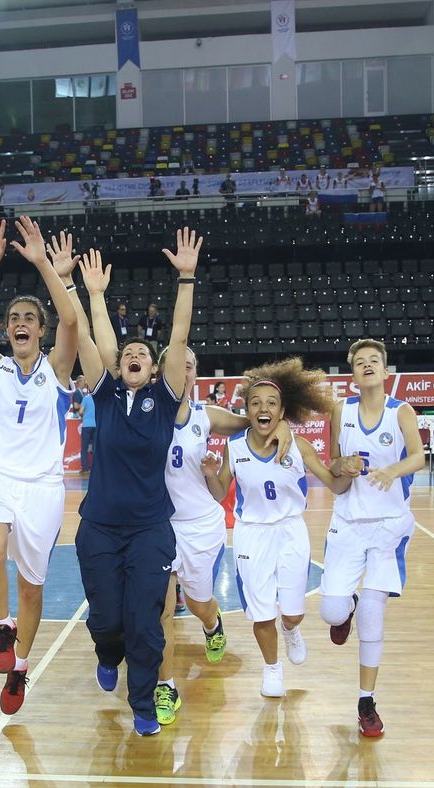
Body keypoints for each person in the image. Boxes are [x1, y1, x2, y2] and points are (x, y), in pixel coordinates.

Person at [72, 232, 200, 735]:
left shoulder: (165, 399)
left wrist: (185, 278)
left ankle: (144, 705)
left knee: (146, 623)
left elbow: (180, 336)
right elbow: (91, 338)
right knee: (107, 621)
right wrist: (90, 294)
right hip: (100, 528)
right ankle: (107, 651)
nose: (134, 354)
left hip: (149, 529)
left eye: (144, 353)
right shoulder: (104, 395)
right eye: (128, 351)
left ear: (155, 369)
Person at [0, 216, 80, 716]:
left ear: (41, 329)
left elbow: (73, 323)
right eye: (14, 318)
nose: (19, 323)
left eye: (29, 318)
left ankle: (21, 667)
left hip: (43, 487)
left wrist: (40, 262)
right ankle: (2, 624)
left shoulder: (57, 369)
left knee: (34, 586)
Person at [157, 346, 291, 725]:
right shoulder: (149, 413)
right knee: (160, 612)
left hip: (200, 526)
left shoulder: (206, 416)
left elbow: (256, 421)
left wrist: (282, 428)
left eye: (188, 367)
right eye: (174, 366)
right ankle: (165, 686)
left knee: (200, 604)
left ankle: (212, 625)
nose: (181, 372)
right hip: (160, 526)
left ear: (195, 375)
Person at [203, 358, 347, 700]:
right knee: (262, 611)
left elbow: (334, 484)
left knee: (293, 614)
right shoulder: (233, 447)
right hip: (252, 532)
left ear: (282, 412)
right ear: (247, 411)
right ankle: (271, 669)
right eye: (255, 403)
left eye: (271, 403)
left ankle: (291, 630)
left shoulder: (299, 446)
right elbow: (220, 493)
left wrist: (348, 468)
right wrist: (210, 473)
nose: (262, 408)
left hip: (290, 531)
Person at [320, 338, 426, 737]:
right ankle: (343, 607)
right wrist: (341, 465)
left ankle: (367, 700)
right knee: (331, 613)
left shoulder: (402, 411)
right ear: (353, 374)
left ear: (386, 372)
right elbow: (332, 468)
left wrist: (392, 471)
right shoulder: (340, 410)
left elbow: (419, 456)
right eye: (360, 362)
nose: (367, 366)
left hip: (388, 525)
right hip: (347, 522)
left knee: (373, 613)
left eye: (374, 361)